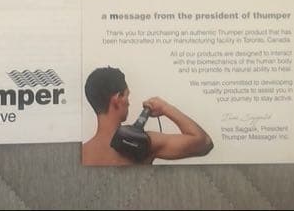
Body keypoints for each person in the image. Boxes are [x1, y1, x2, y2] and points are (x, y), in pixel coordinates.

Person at [82, 66, 213, 166]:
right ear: (118, 99)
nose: (128, 102)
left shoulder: (82, 152)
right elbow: (204, 142)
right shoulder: (144, 143)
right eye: (127, 96)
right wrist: (165, 107)